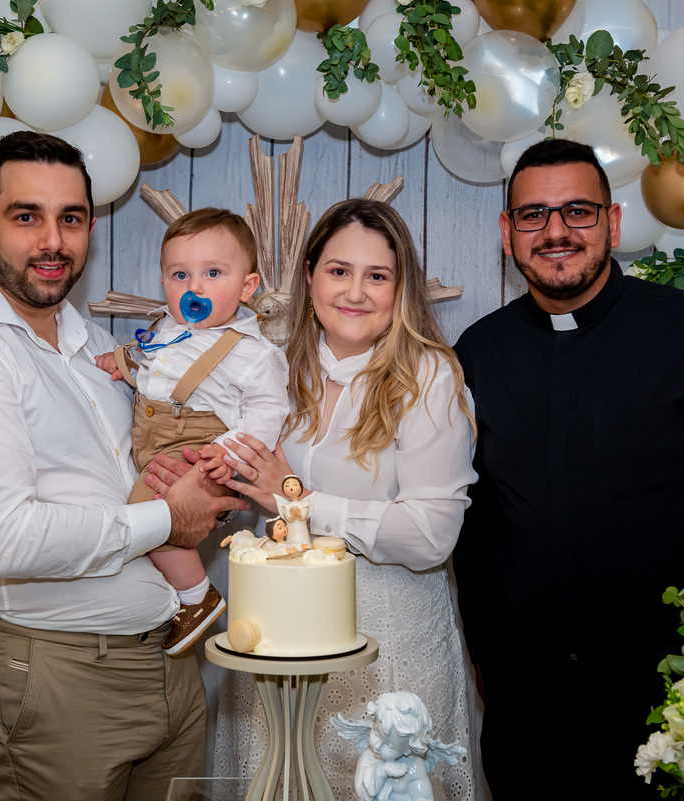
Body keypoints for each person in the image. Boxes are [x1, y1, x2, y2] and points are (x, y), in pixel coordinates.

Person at [451, 138, 684, 798]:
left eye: (577, 211)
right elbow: (470, 522)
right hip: (530, 708)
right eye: (533, 215)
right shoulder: (478, 353)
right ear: (508, 233)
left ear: (613, 223)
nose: (555, 231)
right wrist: (486, 654)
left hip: (679, 698)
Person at [0, 131, 246, 801]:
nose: (52, 239)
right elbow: (5, 539)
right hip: (56, 680)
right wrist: (168, 518)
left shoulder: (99, 344)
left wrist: (210, 480)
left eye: (72, 218)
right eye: (26, 216)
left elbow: (145, 470)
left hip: (166, 662)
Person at [196, 198, 480, 800]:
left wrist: (296, 502)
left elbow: (431, 536)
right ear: (308, 276)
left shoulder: (428, 378)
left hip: (390, 641)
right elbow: (244, 491)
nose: (356, 292)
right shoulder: (275, 370)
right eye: (338, 271)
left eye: (377, 276)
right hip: (277, 643)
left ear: (401, 288)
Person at [94, 207, 288, 656]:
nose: (194, 287)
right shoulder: (169, 326)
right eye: (180, 274)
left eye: (213, 273)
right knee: (140, 509)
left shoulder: (252, 353)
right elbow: (154, 361)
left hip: (201, 448)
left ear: (247, 286)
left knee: (147, 514)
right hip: (153, 438)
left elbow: (267, 409)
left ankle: (197, 596)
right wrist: (121, 363)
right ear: (164, 283)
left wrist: (228, 454)